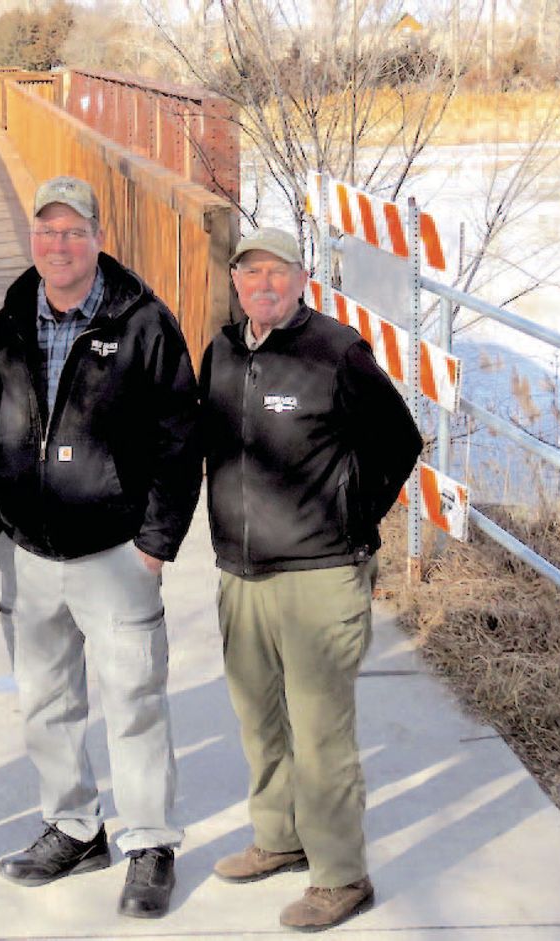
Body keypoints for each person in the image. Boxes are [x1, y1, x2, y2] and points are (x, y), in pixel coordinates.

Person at [0, 175, 201, 919]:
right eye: (47, 231)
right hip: (29, 552)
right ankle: (73, 826)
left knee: (133, 699)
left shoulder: (142, 322)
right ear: (33, 238)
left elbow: (178, 440)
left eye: (74, 231)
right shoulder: (11, 316)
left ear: (98, 237)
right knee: (45, 701)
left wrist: (156, 543)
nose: (59, 245)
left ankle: (151, 842)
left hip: (115, 551)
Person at [200, 227, 422, 932]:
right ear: (235, 280)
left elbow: (399, 440)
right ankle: (280, 836)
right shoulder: (224, 350)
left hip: (320, 571)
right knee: (259, 719)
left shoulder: (336, 351)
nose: (263, 284)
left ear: (302, 279)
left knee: (321, 733)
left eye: (278, 272)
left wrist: (350, 517)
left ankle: (340, 875)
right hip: (241, 571)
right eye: (251, 272)